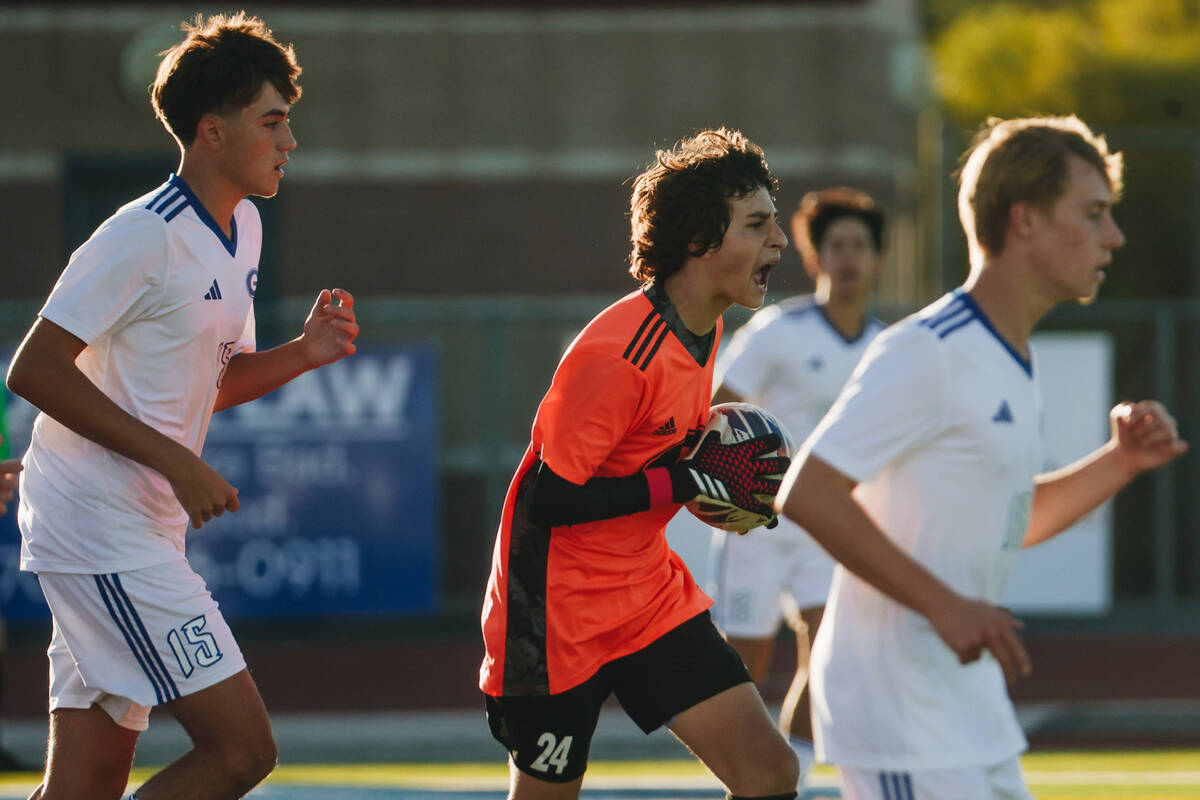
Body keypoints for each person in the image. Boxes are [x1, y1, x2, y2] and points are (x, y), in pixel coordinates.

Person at [777, 114, 1188, 800]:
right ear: (1023, 220)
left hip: (964, 707)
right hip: (898, 711)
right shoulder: (928, 350)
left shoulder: (1008, 358)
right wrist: (947, 606)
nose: (1112, 235)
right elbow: (808, 491)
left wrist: (1119, 462)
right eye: (1092, 214)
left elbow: (1009, 521)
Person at [5, 13, 359, 800]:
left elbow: (211, 380)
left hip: (135, 526)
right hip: (100, 527)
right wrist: (177, 462)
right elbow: (33, 370)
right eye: (272, 122)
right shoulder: (141, 234)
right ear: (210, 132)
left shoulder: (247, 230)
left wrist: (302, 354)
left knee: (85, 787)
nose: (288, 141)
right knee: (241, 752)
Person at [479, 128, 801, 799]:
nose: (780, 241)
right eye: (758, 224)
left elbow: (659, 453)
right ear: (698, 241)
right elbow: (551, 500)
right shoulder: (619, 350)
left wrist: (721, 484)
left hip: (646, 593)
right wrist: (688, 480)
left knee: (770, 773)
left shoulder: (708, 326)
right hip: (553, 613)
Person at [708, 187, 887, 786]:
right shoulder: (777, 330)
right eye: (836, 245)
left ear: (878, 258)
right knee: (744, 666)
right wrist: (740, 480)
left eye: (860, 246)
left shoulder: (888, 348)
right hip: (759, 523)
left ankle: (799, 774)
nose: (849, 258)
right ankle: (744, 775)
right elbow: (719, 407)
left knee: (830, 650)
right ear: (815, 257)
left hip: (828, 524)